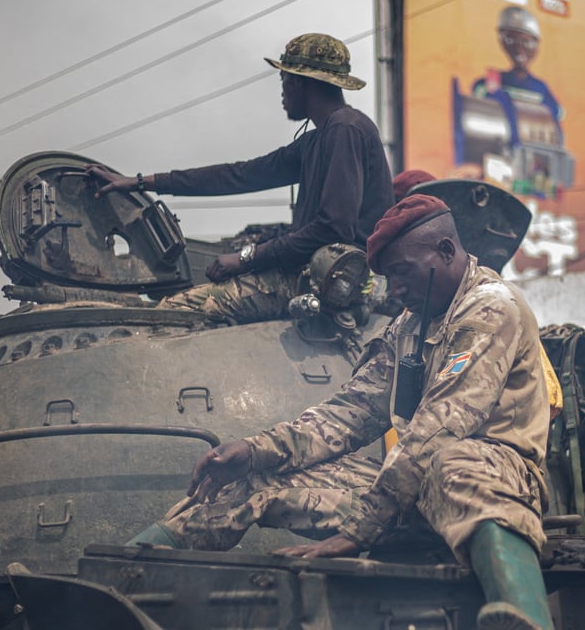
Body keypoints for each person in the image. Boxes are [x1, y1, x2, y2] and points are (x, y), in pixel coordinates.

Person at [128, 194, 555, 629]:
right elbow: (349, 412)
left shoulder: (491, 306)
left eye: (403, 273)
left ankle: (522, 612)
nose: (397, 291)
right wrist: (256, 450)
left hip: (497, 482)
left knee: (453, 461)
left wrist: (356, 533)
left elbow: (440, 429)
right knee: (253, 480)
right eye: (389, 279)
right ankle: (127, 572)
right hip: (412, 489)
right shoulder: (410, 324)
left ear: (446, 251)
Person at [88, 32, 394, 324]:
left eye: (284, 79)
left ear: (302, 83)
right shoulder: (318, 140)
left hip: (331, 282)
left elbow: (333, 228)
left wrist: (247, 258)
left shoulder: (345, 129)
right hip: (312, 275)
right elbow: (238, 175)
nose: (282, 91)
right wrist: (142, 182)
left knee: (176, 310)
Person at [472, 6, 564, 143]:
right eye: (511, 40)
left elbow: (556, 114)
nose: (519, 48)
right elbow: (480, 103)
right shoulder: (491, 81)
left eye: (527, 42)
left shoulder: (540, 87)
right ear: (502, 42)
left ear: (536, 46)